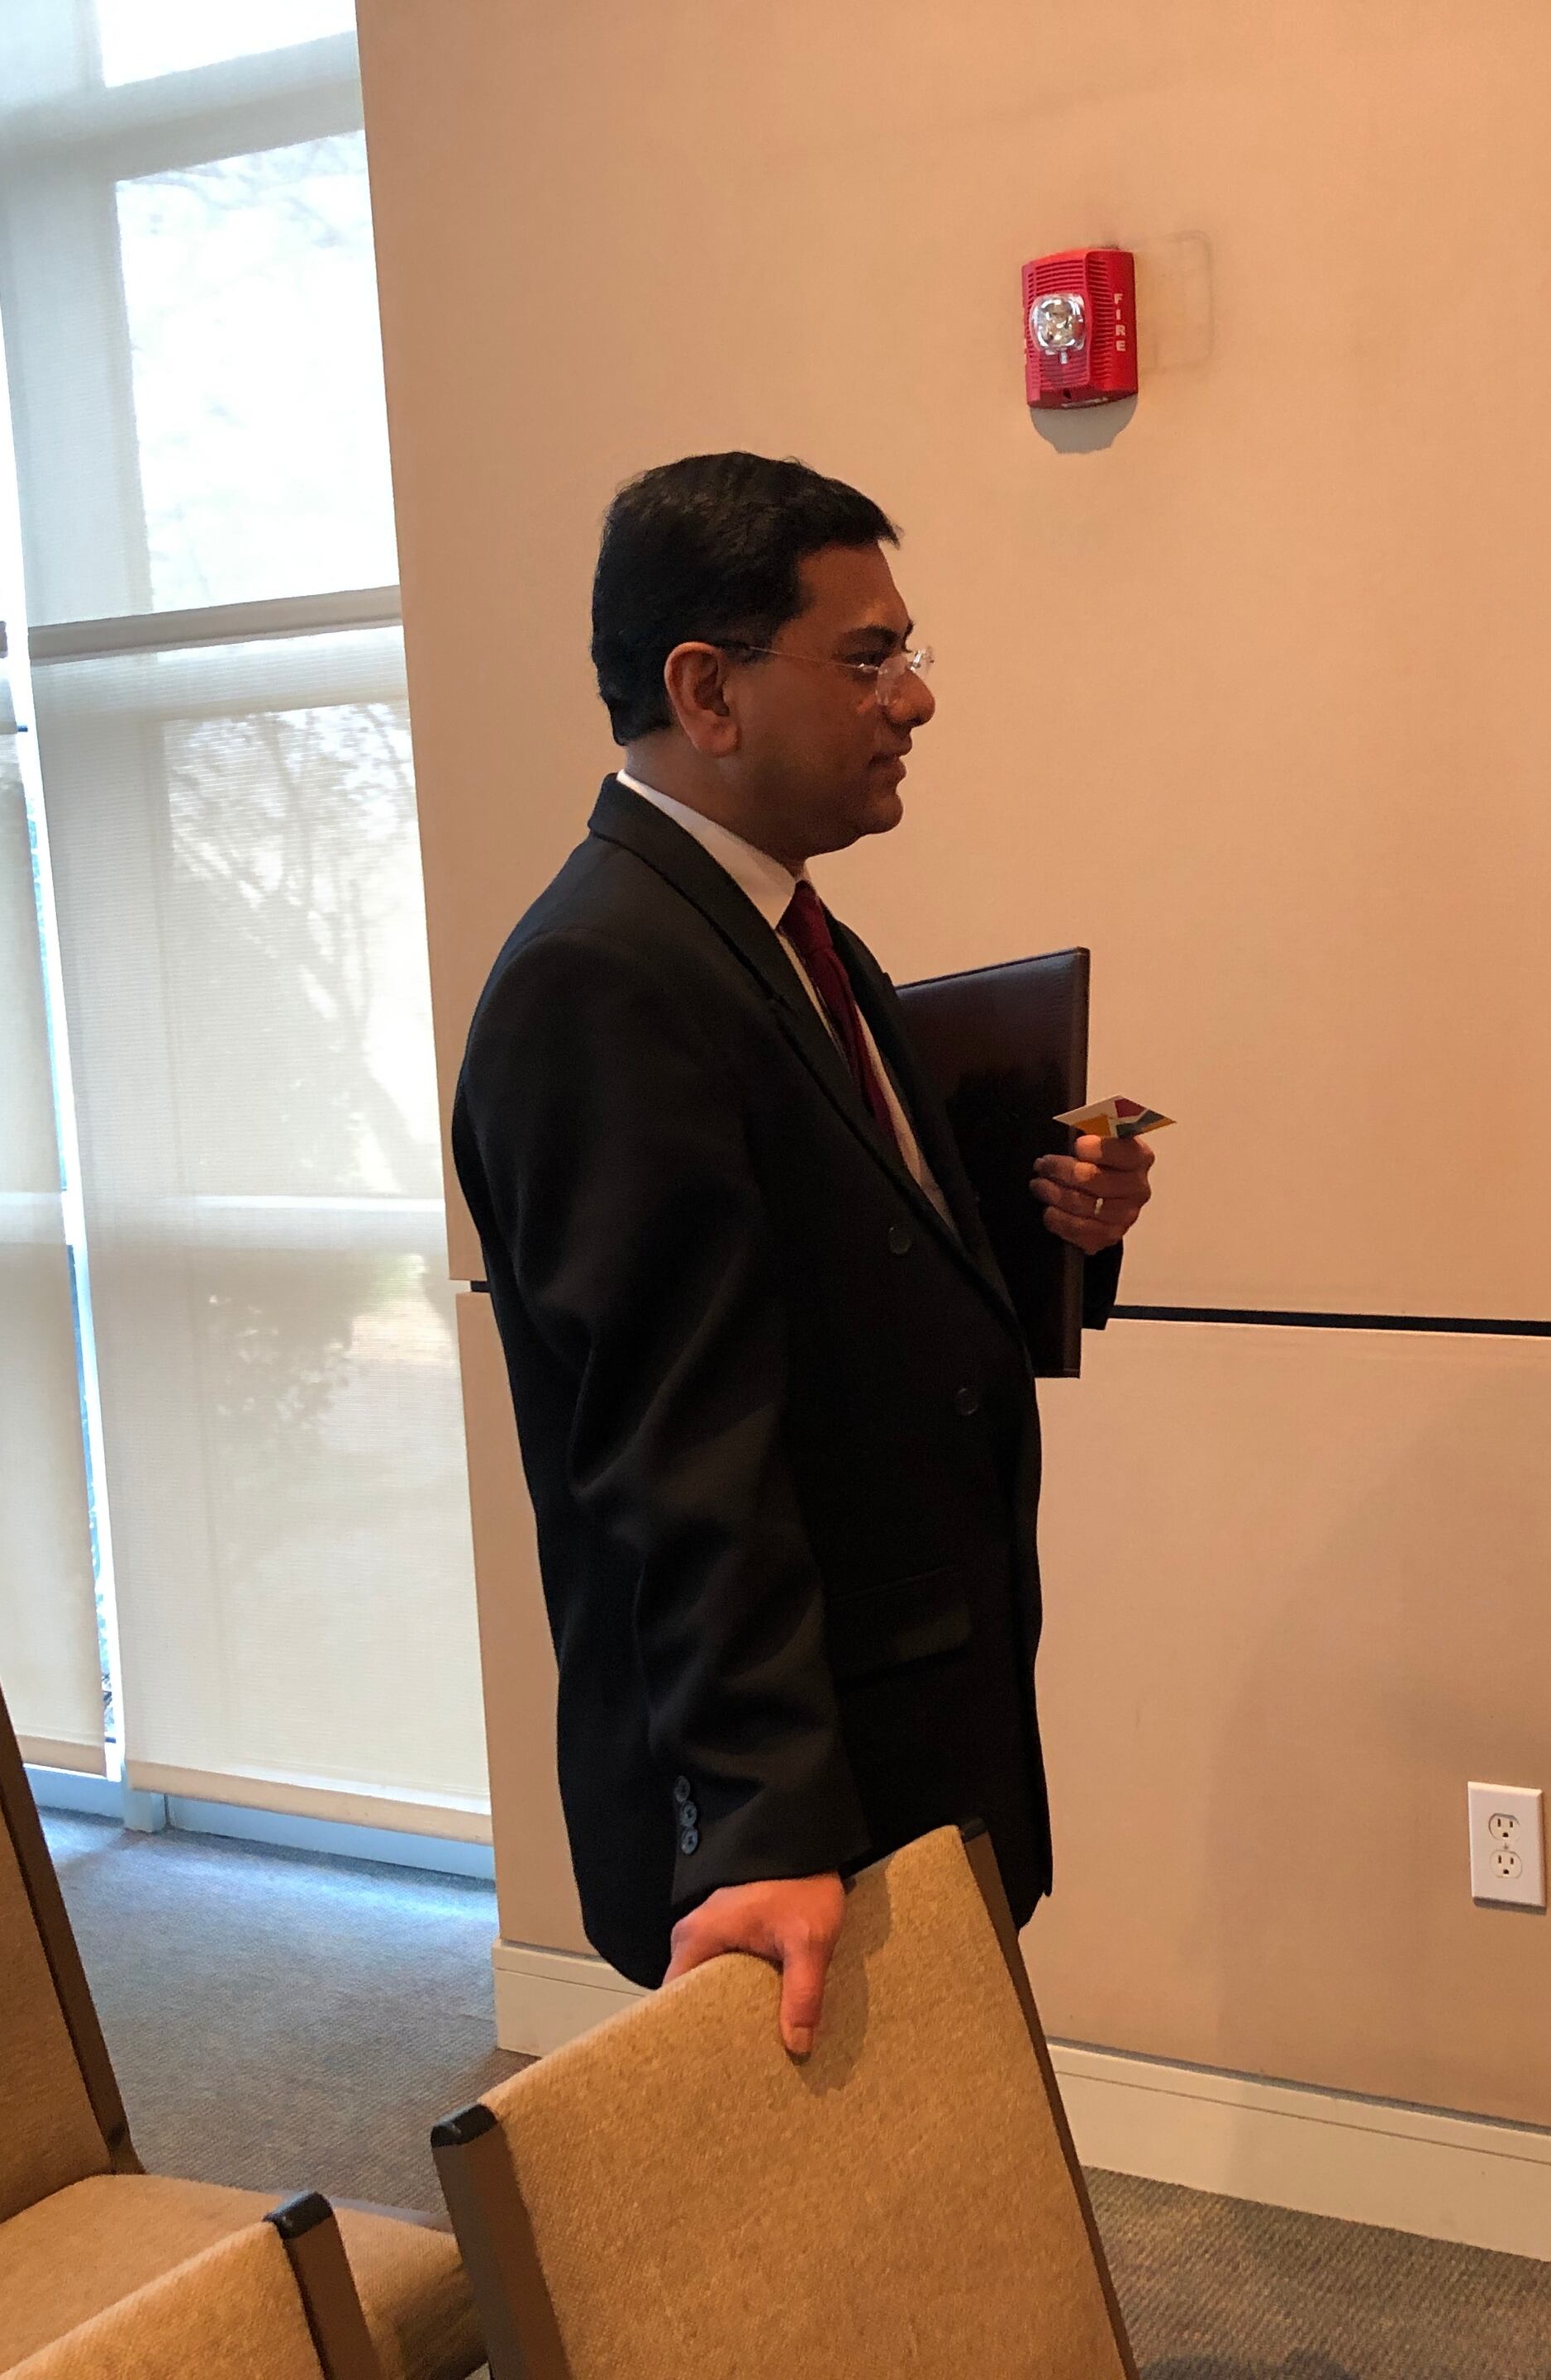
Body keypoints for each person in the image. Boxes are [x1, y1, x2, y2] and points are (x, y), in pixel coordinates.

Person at [452, 452, 1154, 2054]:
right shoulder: (603, 979)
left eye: (909, 652)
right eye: (866, 657)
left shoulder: (788, 938)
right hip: (799, 1797)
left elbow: (866, 1276)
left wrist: (1060, 1235)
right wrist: (761, 1823)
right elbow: (672, 1448)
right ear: (707, 691)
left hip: (903, 1722)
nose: (915, 698)